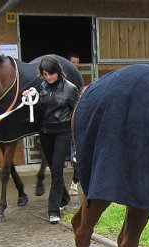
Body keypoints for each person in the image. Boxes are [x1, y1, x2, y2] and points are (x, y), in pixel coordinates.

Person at [23, 55, 80, 223]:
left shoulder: (70, 89)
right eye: (44, 74)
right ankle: (64, 199)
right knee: (55, 171)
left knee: (57, 170)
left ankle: (53, 210)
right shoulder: (41, 88)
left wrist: (76, 137)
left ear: (57, 72)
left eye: (49, 74)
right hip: (45, 133)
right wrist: (30, 99)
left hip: (62, 133)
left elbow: (76, 113)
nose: (47, 77)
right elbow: (39, 109)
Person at [66, 51, 81, 196]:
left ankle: (75, 183)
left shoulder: (78, 79)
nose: (75, 65)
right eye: (73, 62)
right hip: (66, 118)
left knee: (76, 149)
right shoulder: (65, 80)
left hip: (76, 117)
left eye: (77, 62)